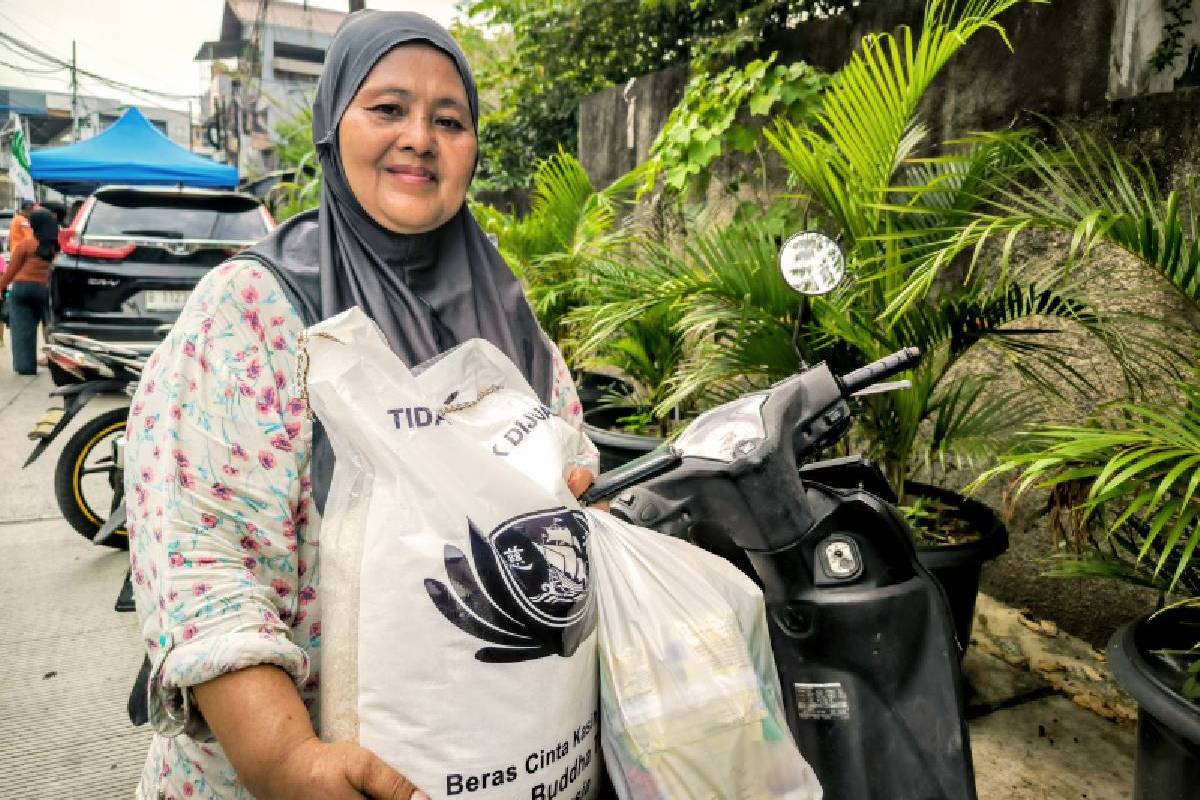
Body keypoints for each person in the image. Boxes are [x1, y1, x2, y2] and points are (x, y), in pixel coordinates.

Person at [125, 11, 598, 800]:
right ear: (333, 124)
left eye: (450, 120)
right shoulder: (255, 310)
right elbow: (200, 557)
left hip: (500, 759)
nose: (420, 137)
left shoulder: (510, 320)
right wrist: (288, 763)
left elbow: (570, 472)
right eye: (388, 109)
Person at [0, 208, 56, 374]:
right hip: (47, 290)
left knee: (22, 329)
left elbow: (11, 271)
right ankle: (55, 360)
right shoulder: (57, 246)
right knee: (51, 328)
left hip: (23, 288)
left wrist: (1, 287)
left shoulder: (26, 244)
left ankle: (26, 366)